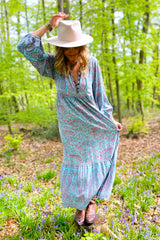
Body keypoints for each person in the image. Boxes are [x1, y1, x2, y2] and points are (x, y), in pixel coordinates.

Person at [17, 12, 122, 226]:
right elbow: (25, 45)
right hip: (70, 125)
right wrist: (48, 26)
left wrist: (109, 119)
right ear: (60, 48)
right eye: (67, 48)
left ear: (82, 47)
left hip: (93, 121)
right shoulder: (52, 65)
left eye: (75, 48)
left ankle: (90, 202)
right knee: (77, 162)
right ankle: (79, 206)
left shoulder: (92, 64)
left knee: (93, 160)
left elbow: (100, 95)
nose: (72, 53)